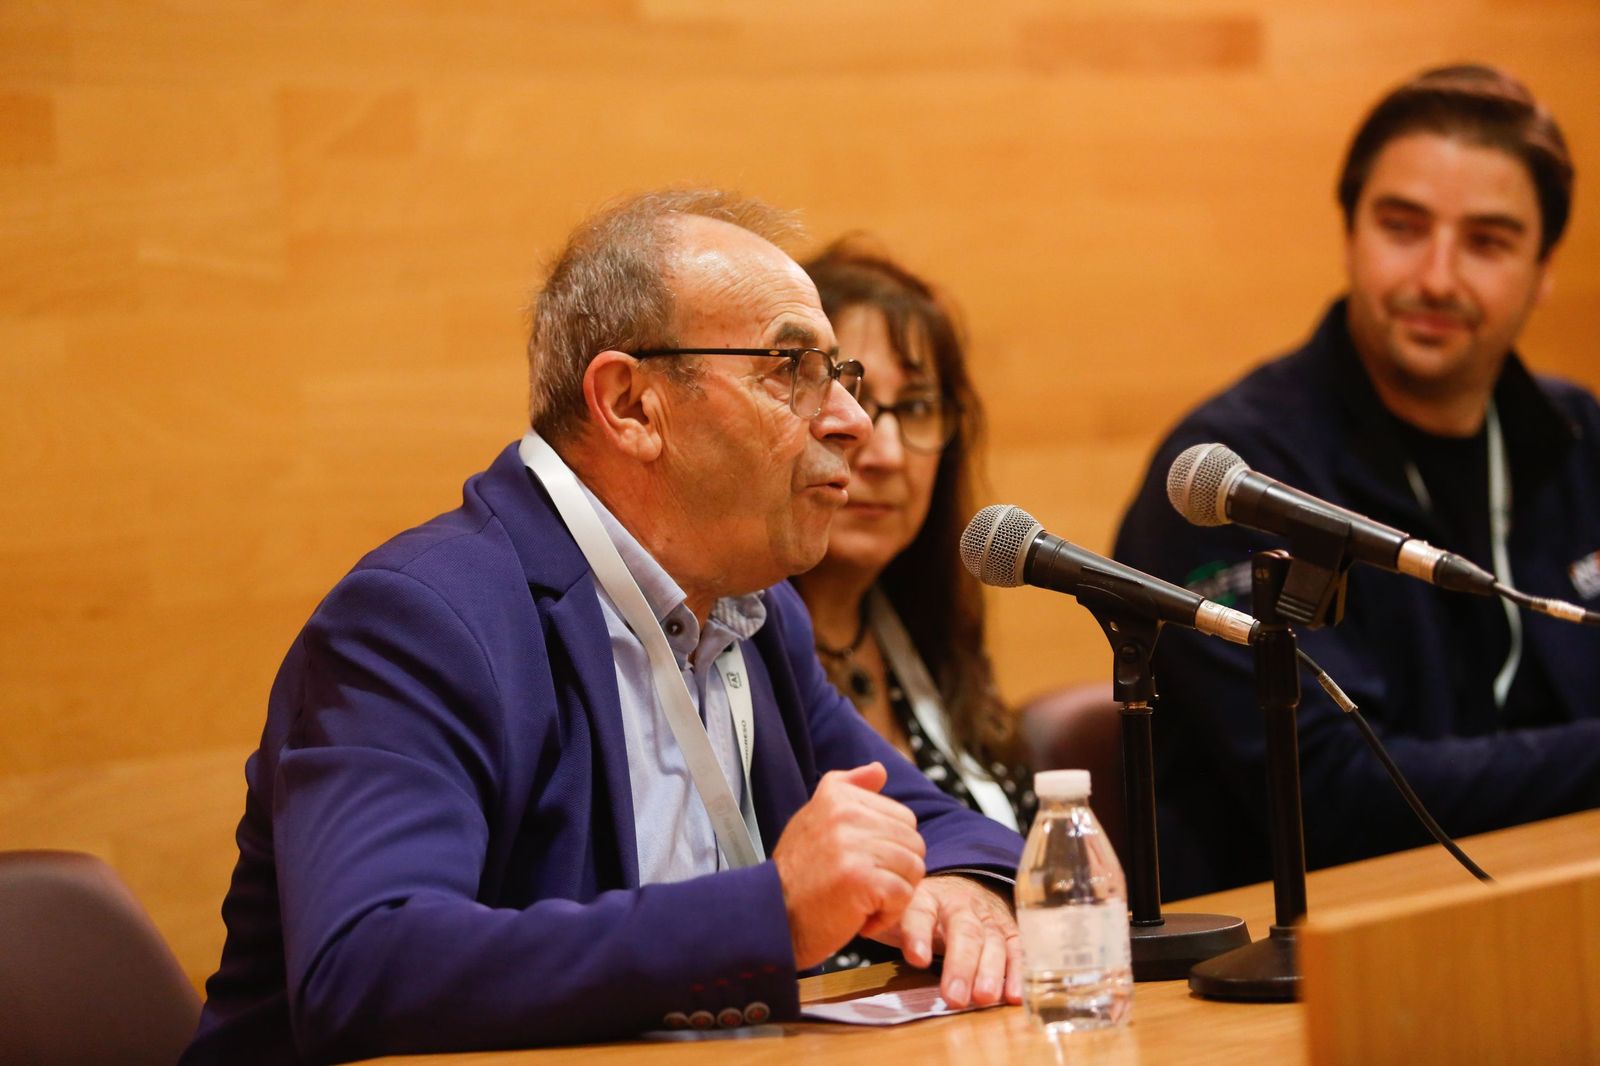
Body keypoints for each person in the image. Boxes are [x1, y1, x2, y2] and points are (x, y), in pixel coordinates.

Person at [183, 190, 1025, 1064]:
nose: (851, 423)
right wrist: (768, 916)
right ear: (630, 406)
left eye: (833, 374)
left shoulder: (753, 611)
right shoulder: (423, 620)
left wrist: (967, 890)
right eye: (790, 369)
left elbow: (927, 821)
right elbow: (368, 968)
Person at [1114, 64, 1600, 901]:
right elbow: (1334, 796)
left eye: (1487, 241)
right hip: (1302, 964)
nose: (1436, 278)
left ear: (1544, 268)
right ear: (1350, 233)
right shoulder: (1233, 476)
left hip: (1550, 900)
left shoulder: (1580, 434)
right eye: (1403, 227)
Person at [792, 240, 1038, 972]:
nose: (886, 450)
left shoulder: (929, 642)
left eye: (919, 407)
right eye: (856, 399)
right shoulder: (732, 655)